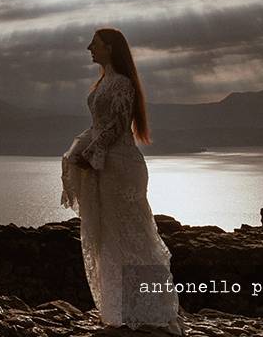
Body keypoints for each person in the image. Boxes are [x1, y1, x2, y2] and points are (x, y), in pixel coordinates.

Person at [60, 28, 184, 334]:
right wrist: (84, 154)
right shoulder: (106, 81)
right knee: (112, 234)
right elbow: (101, 126)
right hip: (108, 166)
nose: (89, 47)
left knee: (132, 233)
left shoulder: (122, 84)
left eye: (95, 43)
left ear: (110, 48)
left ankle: (151, 311)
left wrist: (88, 155)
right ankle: (125, 309)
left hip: (121, 168)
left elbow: (116, 126)